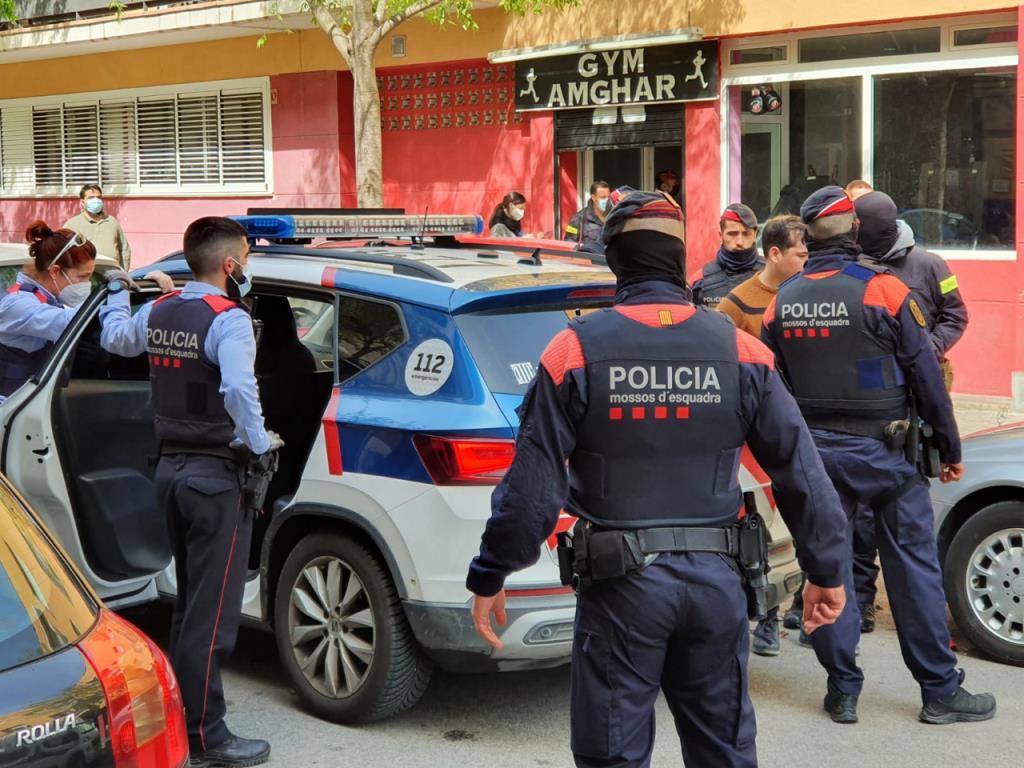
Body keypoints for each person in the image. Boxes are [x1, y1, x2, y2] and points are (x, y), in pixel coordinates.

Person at [467, 189, 849, 767]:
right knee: (723, 752)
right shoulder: (741, 350)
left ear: (615, 259)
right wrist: (827, 569)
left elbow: (531, 492)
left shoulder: (573, 350)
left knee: (614, 755)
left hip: (622, 592)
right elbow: (802, 471)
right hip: (719, 586)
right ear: (677, 256)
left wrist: (492, 572)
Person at [762, 186, 996, 726]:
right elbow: (926, 376)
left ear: (807, 237)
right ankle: (939, 691)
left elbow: (775, 384)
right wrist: (949, 446)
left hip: (816, 461)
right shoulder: (884, 292)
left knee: (830, 567)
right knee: (914, 570)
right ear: (853, 232)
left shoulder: (784, 299)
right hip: (888, 457)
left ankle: (842, 689)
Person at [100, 217, 280, 767]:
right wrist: (262, 440)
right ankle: (207, 737)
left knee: (188, 611)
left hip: (170, 476)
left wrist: (113, 292)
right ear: (229, 265)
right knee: (212, 616)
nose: (246, 266)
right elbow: (237, 387)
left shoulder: (161, 309)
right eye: (245, 256)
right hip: (215, 481)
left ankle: (177, 718)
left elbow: (113, 337)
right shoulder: (229, 320)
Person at [850, 189, 968, 631]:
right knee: (860, 514)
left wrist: (925, 348)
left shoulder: (931, 265)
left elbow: (956, 315)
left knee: (909, 502)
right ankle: (861, 601)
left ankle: (919, 610)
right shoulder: (855, 266)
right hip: (872, 396)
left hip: (924, 388)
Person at [718, 214, 809, 655]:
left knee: (812, 517)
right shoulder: (737, 302)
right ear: (776, 254)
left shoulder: (808, 296)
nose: (807, 260)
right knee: (768, 528)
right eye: (801, 253)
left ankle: (809, 608)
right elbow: (719, 364)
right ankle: (768, 619)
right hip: (758, 438)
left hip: (807, 427)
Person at [0, 220, 134, 402]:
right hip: (11, 413)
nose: (86, 284)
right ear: (55, 271)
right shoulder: (18, 305)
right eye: (83, 276)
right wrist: (119, 289)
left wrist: (147, 277)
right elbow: (76, 319)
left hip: (34, 406)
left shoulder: (51, 301)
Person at [690, 203, 765, 308]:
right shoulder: (699, 281)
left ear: (755, 235)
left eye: (746, 234)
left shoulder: (772, 274)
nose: (740, 241)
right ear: (721, 236)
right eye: (733, 234)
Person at [64, 184, 133, 270]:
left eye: (98, 197)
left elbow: (124, 248)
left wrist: (123, 271)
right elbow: (65, 253)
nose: (96, 200)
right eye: (91, 198)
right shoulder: (72, 225)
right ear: (82, 202)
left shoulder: (112, 221)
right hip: (88, 275)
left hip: (114, 272)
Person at [564, 181, 610, 252]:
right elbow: (569, 244)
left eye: (608, 197)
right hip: (589, 260)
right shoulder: (579, 218)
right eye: (603, 197)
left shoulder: (614, 216)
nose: (607, 200)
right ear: (593, 198)